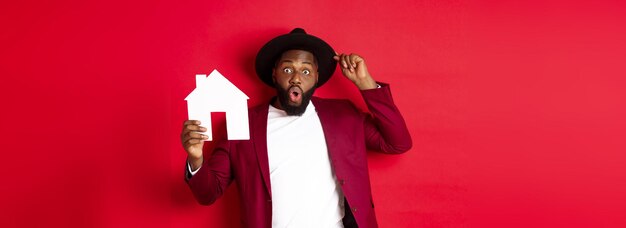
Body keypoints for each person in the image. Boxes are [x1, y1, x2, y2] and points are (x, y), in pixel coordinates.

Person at [181, 28, 412, 228]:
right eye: (288, 69)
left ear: (316, 77)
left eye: (306, 71)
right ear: (274, 73)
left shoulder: (343, 114)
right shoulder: (242, 123)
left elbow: (397, 142)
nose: (296, 79)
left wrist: (366, 83)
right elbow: (208, 193)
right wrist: (196, 159)